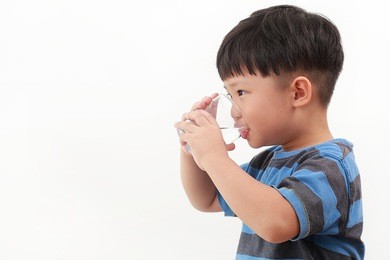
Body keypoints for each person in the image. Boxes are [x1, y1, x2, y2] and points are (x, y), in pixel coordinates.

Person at [174, 4, 364, 260]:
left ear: (298, 93)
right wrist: (192, 149)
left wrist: (215, 158)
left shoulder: (331, 166)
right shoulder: (266, 163)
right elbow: (205, 199)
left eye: (240, 92)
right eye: (229, 95)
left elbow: (275, 223)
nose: (233, 110)